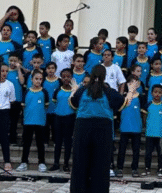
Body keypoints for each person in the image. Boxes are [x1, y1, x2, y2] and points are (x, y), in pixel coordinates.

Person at [69, 64, 135, 193]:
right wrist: (131, 90)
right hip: (102, 130)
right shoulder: (109, 91)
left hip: (82, 129)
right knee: (100, 165)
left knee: (80, 163)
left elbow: (72, 103)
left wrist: (74, 90)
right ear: (104, 76)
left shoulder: (83, 90)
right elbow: (125, 103)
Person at [17, 69, 50, 173]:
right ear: (31, 79)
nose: (38, 81)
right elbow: (23, 106)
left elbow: (46, 106)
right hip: (28, 121)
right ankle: (24, 162)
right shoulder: (27, 91)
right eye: (36, 79)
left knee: (40, 143)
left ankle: (41, 163)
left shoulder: (44, 92)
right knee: (26, 143)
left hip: (40, 122)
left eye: (40, 79)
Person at [117, 74, 145, 177]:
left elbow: (143, 113)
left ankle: (135, 168)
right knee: (122, 149)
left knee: (136, 150)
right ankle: (119, 168)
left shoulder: (141, 97)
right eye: (130, 83)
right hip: (125, 127)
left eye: (135, 82)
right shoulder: (123, 96)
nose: (133, 85)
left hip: (136, 127)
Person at [50, 68, 75, 172]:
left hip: (70, 118)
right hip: (58, 118)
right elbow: (55, 102)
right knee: (58, 142)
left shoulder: (74, 91)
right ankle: (56, 163)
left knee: (68, 142)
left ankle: (66, 164)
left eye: (68, 76)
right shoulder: (58, 90)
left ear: (71, 78)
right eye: (63, 76)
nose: (66, 79)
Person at [141, 84, 162, 177]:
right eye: (155, 92)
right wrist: (147, 126)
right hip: (150, 133)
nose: (157, 94)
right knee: (148, 152)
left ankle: (160, 169)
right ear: (151, 93)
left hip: (160, 134)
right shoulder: (148, 104)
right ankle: (147, 168)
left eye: (159, 92)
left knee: (160, 153)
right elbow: (144, 117)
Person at [6, 53, 26, 145]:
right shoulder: (6, 71)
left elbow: (22, 82)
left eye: (15, 61)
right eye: (11, 60)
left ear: (19, 62)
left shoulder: (20, 71)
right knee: (6, 120)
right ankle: (4, 138)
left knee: (14, 121)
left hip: (17, 99)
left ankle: (13, 139)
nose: (13, 63)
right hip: (6, 99)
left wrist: (19, 69)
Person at [42, 62, 60, 145]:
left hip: (56, 107)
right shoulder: (43, 80)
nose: (51, 70)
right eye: (49, 68)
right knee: (45, 126)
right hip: (45, 107)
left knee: (55, 126)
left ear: (55, 69)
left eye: (52, 68)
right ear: (46, 70)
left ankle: (55, 140)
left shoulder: (59, 81)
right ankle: (45, 141)